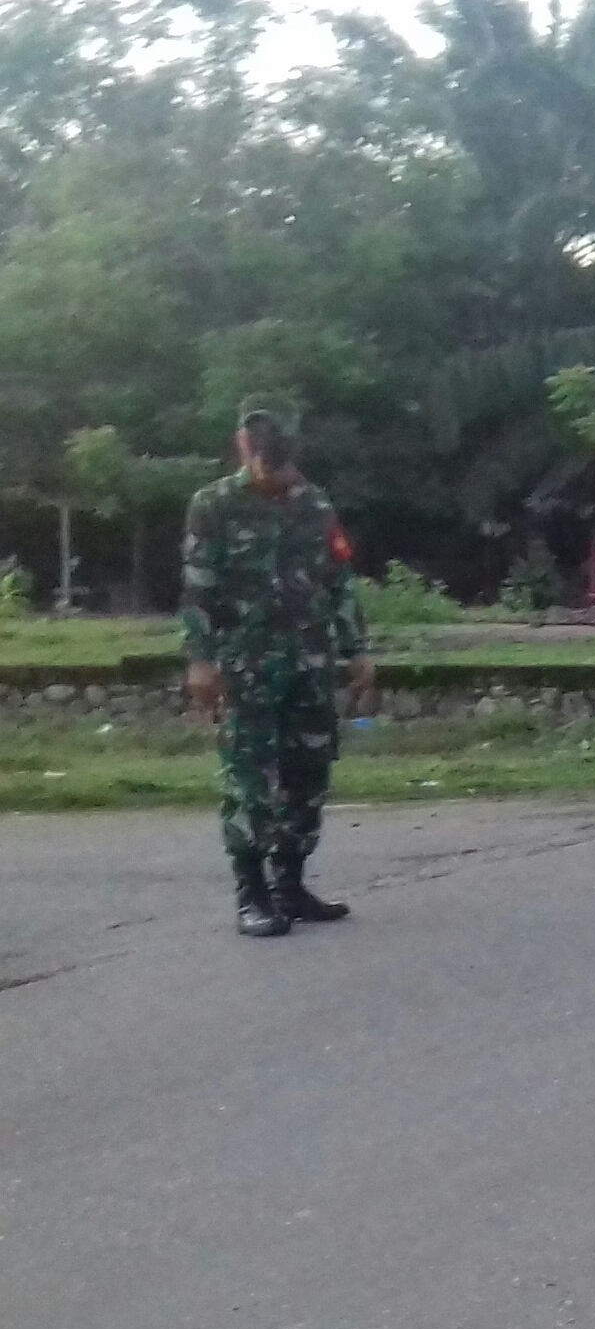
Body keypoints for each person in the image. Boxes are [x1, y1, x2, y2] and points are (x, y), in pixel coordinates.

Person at [181, 402, 373, 938]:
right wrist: (200, 660)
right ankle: (253, 894)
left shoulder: (315, 504)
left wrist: (357, 650)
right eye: (269, 469)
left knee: (308, 776)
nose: (279, 480)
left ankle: (290, 883)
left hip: (309, 665)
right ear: (245, 450)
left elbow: (340, 580)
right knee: (250, 783)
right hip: (245, 669)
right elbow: (198, 588)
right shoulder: (212, 505)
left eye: (286, 469)